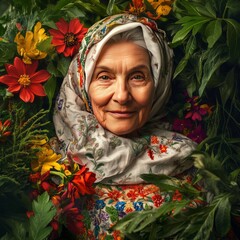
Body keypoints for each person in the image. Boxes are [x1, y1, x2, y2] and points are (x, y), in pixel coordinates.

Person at [53, 13, 197, 239]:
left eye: (137, 76)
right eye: (104, 77)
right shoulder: (52, 168)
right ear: (82, 84)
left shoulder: (192, 165)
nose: (122, 96)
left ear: (159, 85)